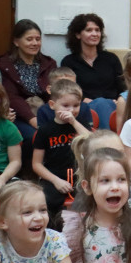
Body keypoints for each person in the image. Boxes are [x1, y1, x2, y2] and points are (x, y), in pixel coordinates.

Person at [32, 79, 91, 217]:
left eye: (76, 105)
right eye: (65, 105)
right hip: (55, 177)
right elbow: (36, 164)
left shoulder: (79, 125)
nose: (71, 110)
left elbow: (93, 142)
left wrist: (73, 122)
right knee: (46, 201)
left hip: (80, 176)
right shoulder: (45, 130)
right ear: (52, 105)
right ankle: (53, 230)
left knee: (88, 200)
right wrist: (55, 181)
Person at [0, 20, 58, 150]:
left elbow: (54, 92)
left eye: (38, 39)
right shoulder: (4, 65)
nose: (35, 43)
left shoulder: (48, 63)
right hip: (18, 115)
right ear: (16, 42)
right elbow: (12, 97)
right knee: (33, 137)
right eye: (29, 39)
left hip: (46, 111)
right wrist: (32, 119)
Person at [60, 13, 125, 127]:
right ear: (78, 34)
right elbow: (68, 90)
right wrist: (84, 100)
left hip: (113, 105)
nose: (95, 34)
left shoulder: (111, 58)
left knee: (103, 104)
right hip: (84, 107)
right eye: (89, 30)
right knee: (100, 104)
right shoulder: (69, 62)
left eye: (97, 30)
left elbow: (122, 86)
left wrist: (120, 100)